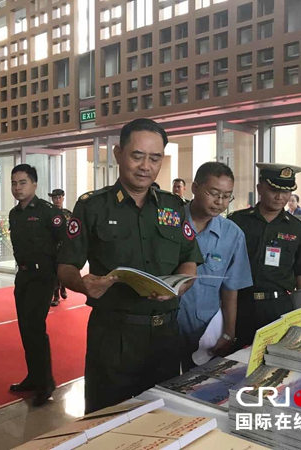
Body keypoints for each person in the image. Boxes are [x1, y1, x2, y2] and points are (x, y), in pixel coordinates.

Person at [57, 118, 203, 413]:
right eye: (137, 156)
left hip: (165, 335)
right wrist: (83, 284)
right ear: (118, 154)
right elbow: (66, 266)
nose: (145, 166)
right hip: (113, 336)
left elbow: (189, 259)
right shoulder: (92, 206)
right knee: (107, 418)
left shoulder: (173, 206)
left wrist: (179, 286)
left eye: (155, 158)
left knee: (161, 418)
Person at [229, 163, 301, 348]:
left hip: (279, 308)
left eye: (286, 192)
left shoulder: (298, 229)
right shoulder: (237, 222)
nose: (280, 197)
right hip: (239, 305)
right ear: (259, 188)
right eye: (273, 190)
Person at [178, 162, 253, 369]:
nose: (220, 202)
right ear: (195, 188)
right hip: (163, 330)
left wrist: (228, 333)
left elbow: (230, 289)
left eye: (227, 196)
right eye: (213, 193)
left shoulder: (233, 235)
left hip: (205, 332)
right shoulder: (170, 222)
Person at [8, 164, 66, 406]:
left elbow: (64, 242)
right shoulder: (14, 214)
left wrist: (59, 275)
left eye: (22, 182)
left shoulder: (47, 212)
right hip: (23, 276)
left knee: (35, 328)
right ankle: (33, 376)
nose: (17, 188)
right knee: (25, 328)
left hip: (43, 277)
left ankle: (45, 383)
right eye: (14, 183)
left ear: (34, 184)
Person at [48, 189, 72, 306]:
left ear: (63, 198)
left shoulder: (68, 214)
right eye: (55, 198)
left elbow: (73, 230)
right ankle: (56, 295)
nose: (57, 200)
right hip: (52, 247)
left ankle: (63, 287)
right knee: (54, 272)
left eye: (59, 197)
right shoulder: (48, 213)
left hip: (65, 247)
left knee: (63, 270)